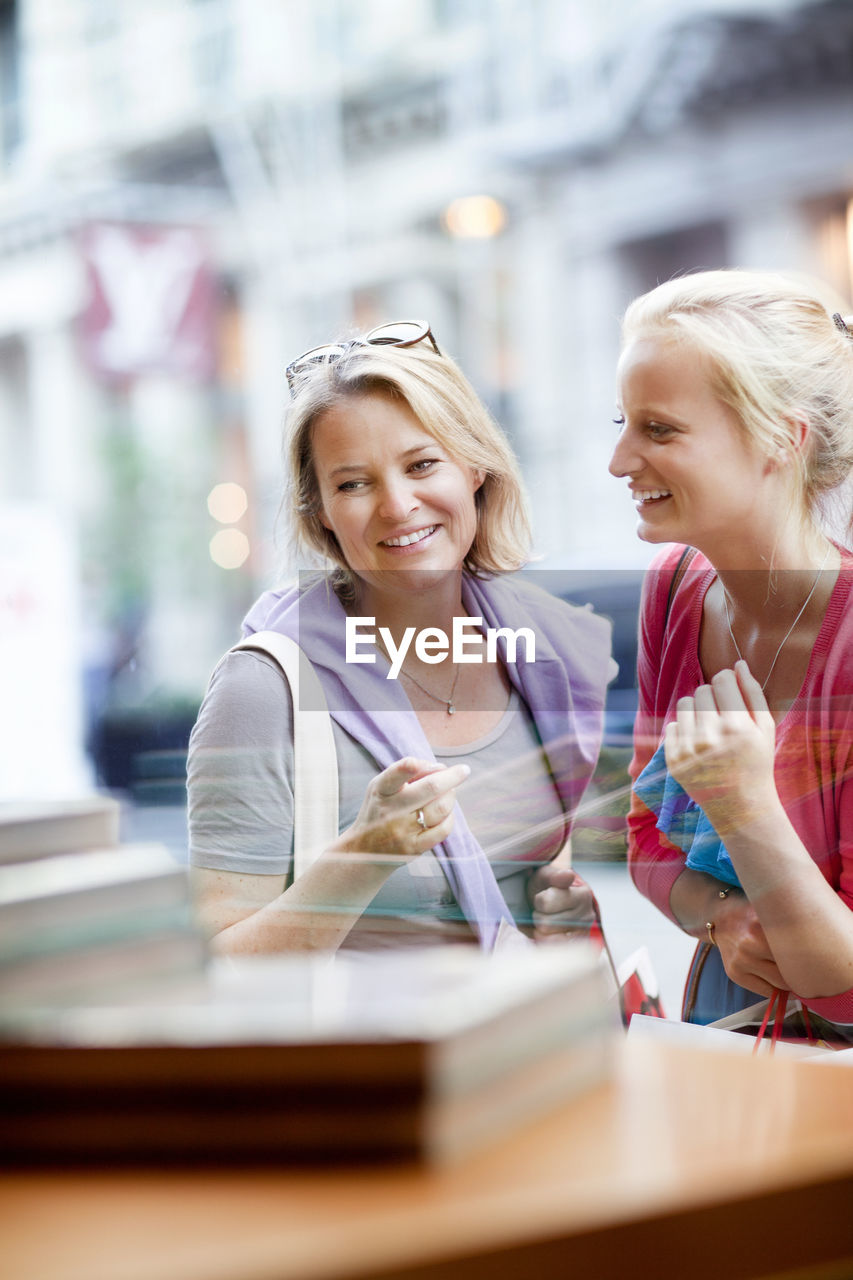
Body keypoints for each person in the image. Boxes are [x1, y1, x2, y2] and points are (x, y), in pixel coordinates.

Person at [188, 320, 615, 955]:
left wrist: (559, 920)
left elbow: (525, 880)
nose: (396, 505)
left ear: (473, 466)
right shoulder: (265, 689)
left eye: (422, 464)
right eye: (353, 483)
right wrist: (363, 855)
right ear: (321, 512)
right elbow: (211, 971)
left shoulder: (535, 654)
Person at [609, 269, 853, 1036]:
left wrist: (743, 801)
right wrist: (721, 916)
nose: (618, 460)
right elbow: (646, 839)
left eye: (658, 429)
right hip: (730, 1042)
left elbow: (840, 985)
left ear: (781, 439)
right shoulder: (676, 589)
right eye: (620, 423)